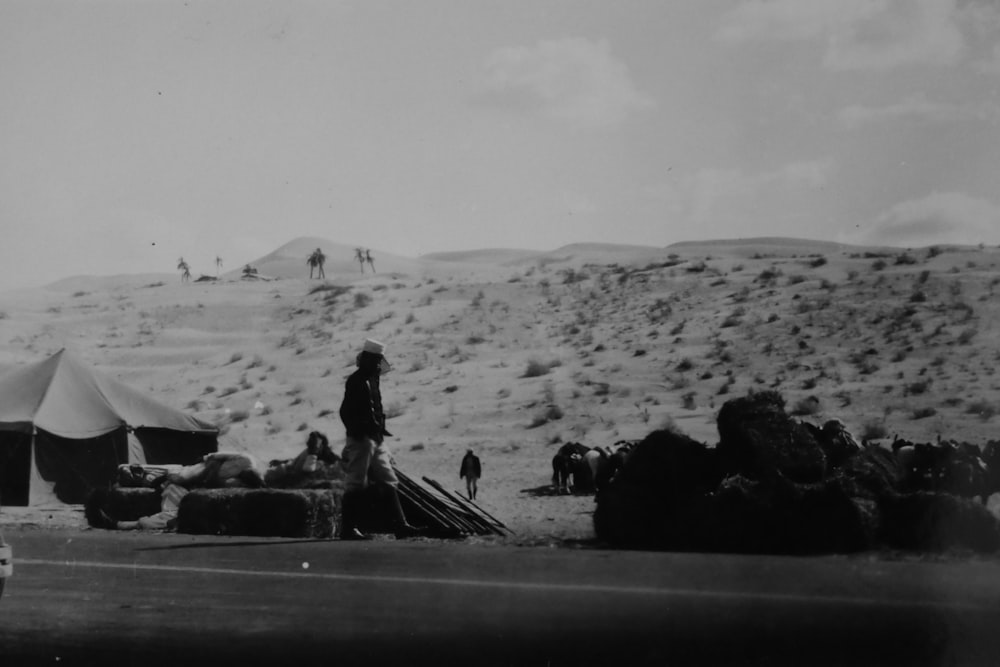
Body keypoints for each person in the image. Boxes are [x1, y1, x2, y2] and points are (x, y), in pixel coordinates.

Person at [338, 338, 424, 540]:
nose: (378, 364)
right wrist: (358, 434)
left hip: (375, 438)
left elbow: (376, 410)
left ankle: (400, 526)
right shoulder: (356, 381)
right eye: (375, 360)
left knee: (388, 479)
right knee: (356, 483)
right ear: (367, 359)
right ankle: (348, 529)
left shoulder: (372, 380)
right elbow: (346, 412)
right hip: (363, 439)